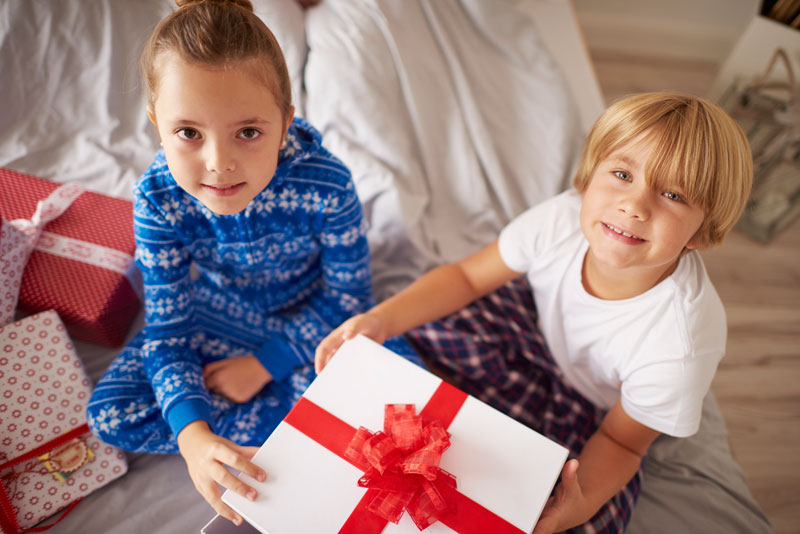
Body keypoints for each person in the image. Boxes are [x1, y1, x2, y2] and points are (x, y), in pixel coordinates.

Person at [315, 92, 753, 534]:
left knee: (551, 506)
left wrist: (576, 506)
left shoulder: (680, 343)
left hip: (590, 407)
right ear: (589, 176)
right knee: (410, 351)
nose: (634, 206)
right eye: (622, 174)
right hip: (527, 325)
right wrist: (382, 320)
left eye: (673, 194)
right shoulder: (560, 220)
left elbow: (622, 442)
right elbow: (467, 279)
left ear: (703, 230)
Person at [86, 0, 416, 526]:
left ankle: (287, 433)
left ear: (285, 124)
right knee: (109, 413)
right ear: (156, 125)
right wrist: (193, 438)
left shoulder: (326, 185)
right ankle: (282, 440)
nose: (218, 163)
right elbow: (169, 331)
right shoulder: (155, 199)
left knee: (403, 398)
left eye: (248, 132)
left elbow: (348, 303)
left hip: (316, 320)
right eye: (188, 133)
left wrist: (266, 364)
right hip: (218, 314)